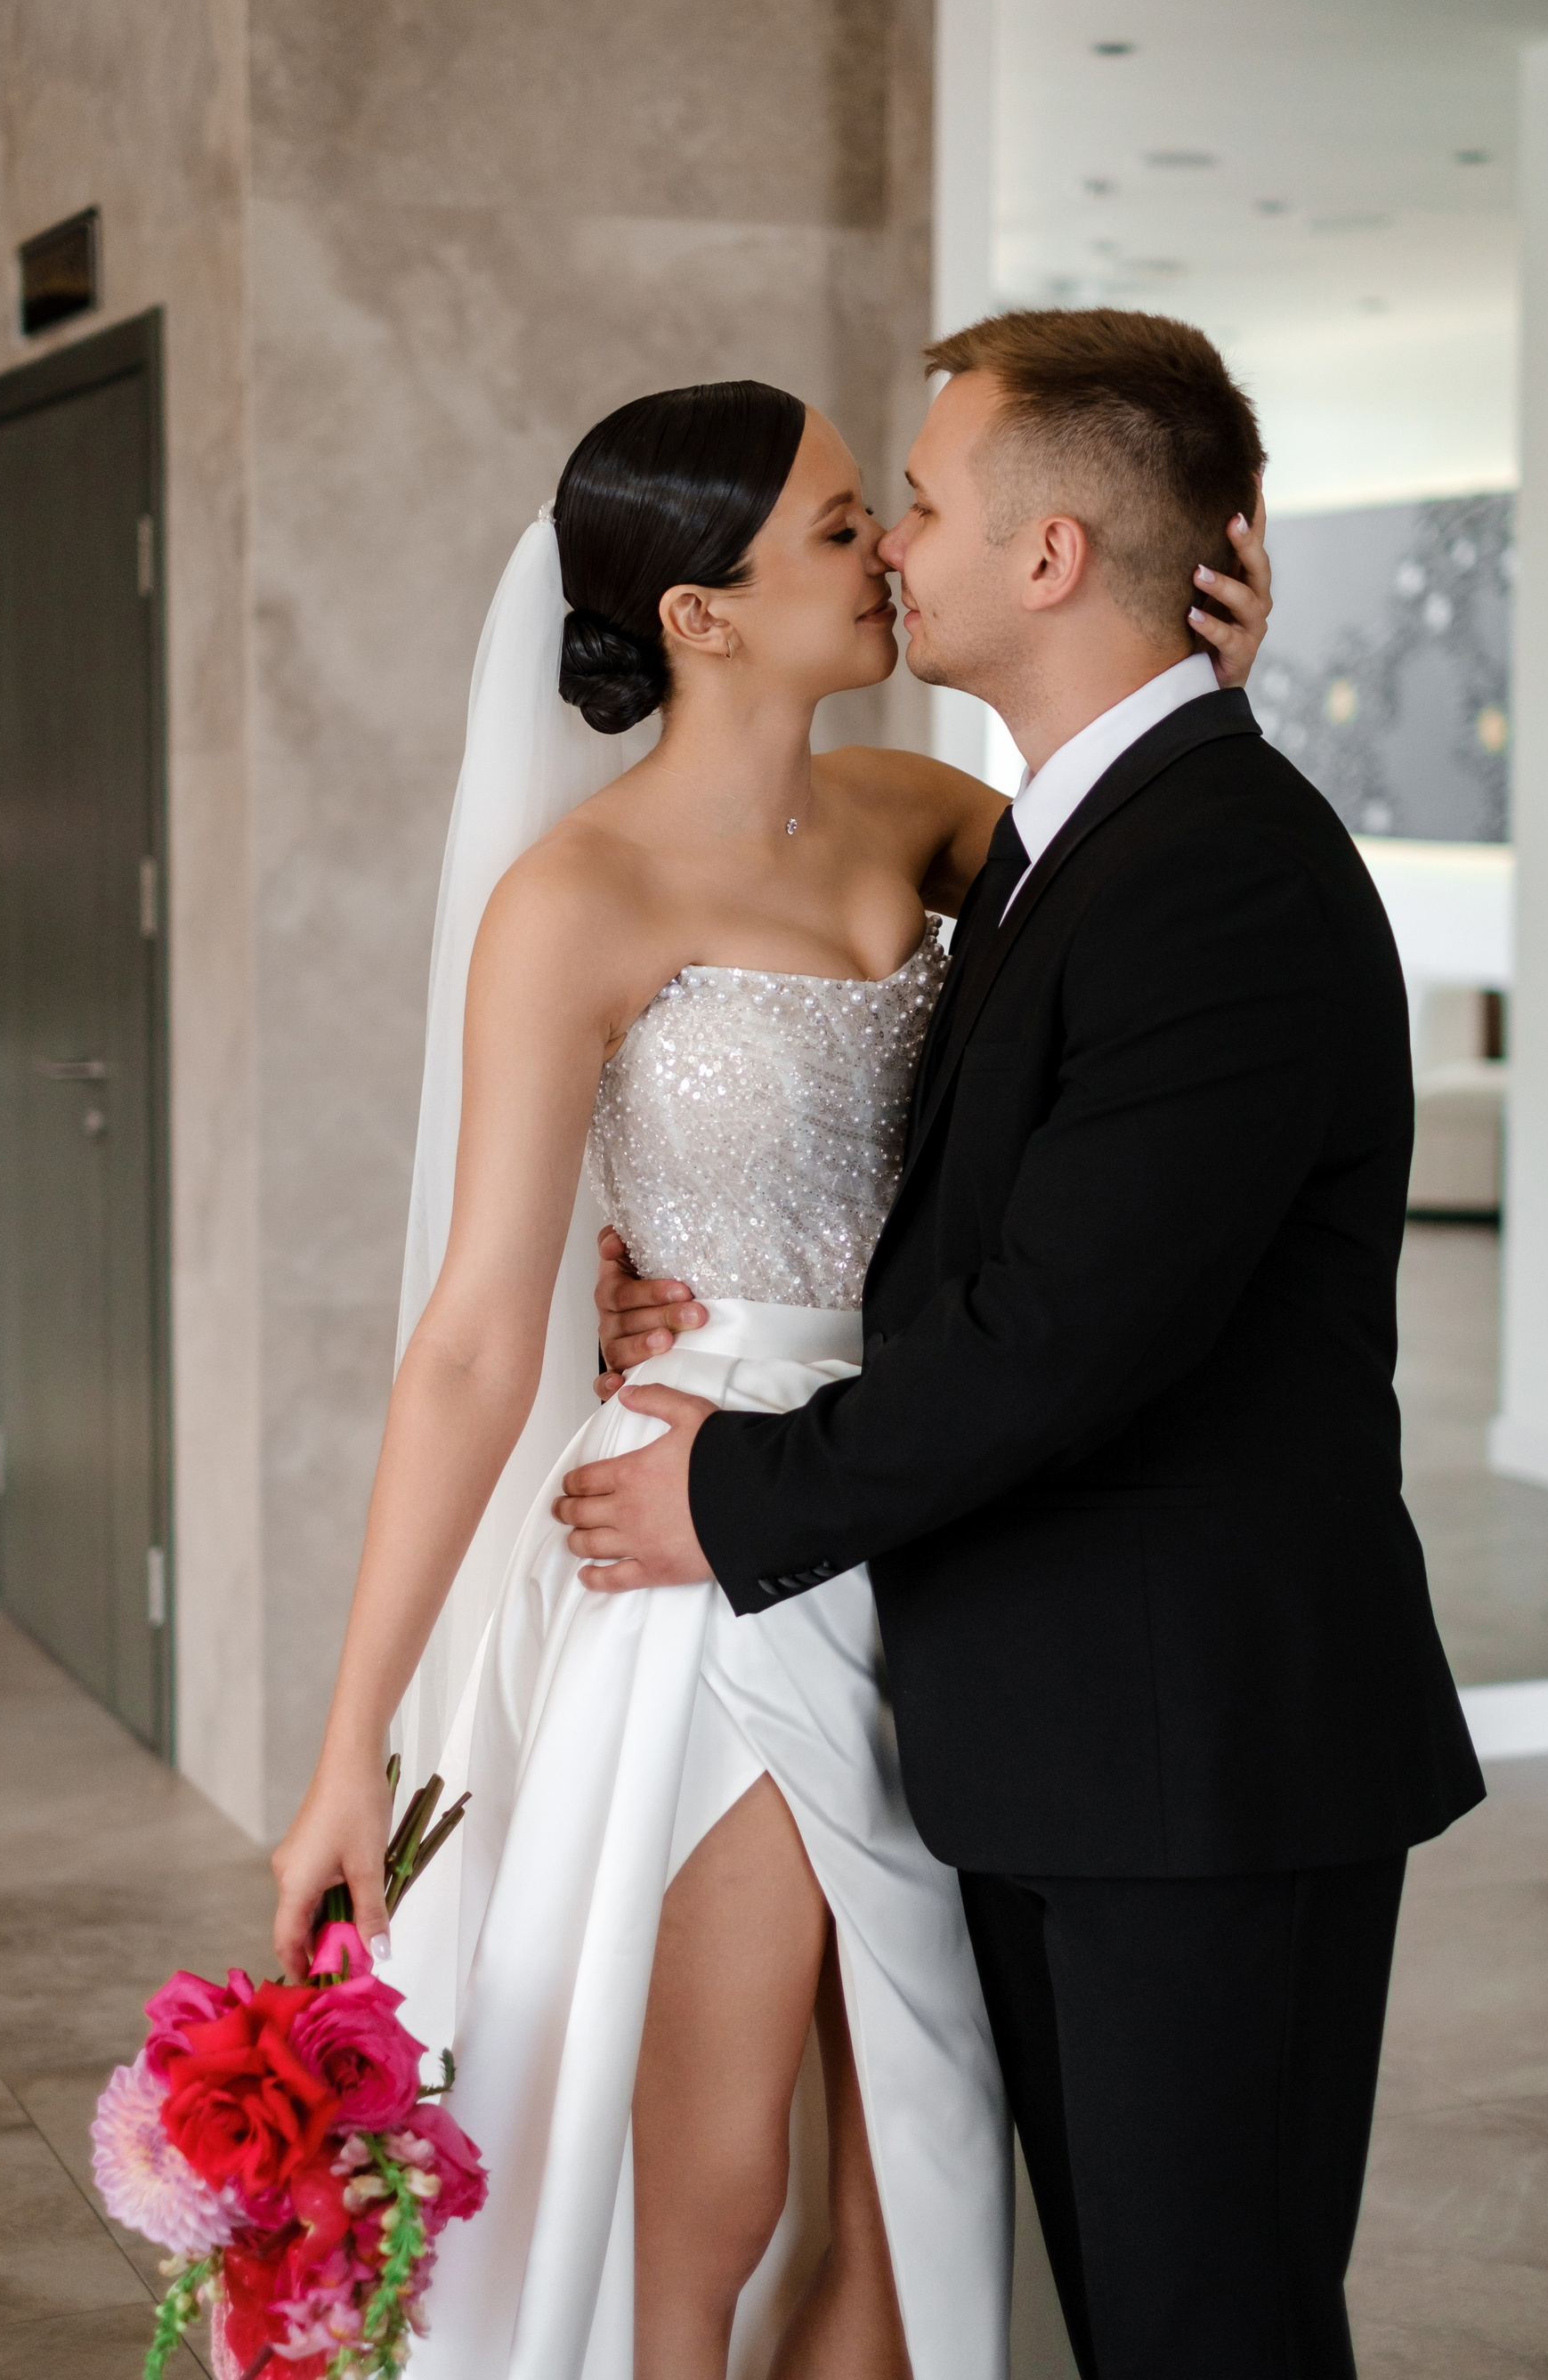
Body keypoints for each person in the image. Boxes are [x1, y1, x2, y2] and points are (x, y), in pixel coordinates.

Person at [269, 362, 1278, 2379]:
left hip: (950, 1520)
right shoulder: (576, 900)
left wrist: (1208, 690)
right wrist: (346, 1747)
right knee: (712, 2191)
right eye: (840, 525)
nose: (891, 549)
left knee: (920, 2167)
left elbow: (1134, 916)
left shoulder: (934, 822)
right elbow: (470, 1338)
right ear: (700, 616)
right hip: (703, 1568)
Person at [559, 311, 1487, 2380]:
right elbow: (950, 1210)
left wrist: (734, 1492)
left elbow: (1063, 1330)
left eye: (918, 501)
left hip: (1200, 1754)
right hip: (1069, 1732)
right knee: (1133, 2310)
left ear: (1050, 557)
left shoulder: (1213, 870)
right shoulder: (1077, 835)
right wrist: (704, 1275)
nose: (893, 544)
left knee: (1209, 2329)